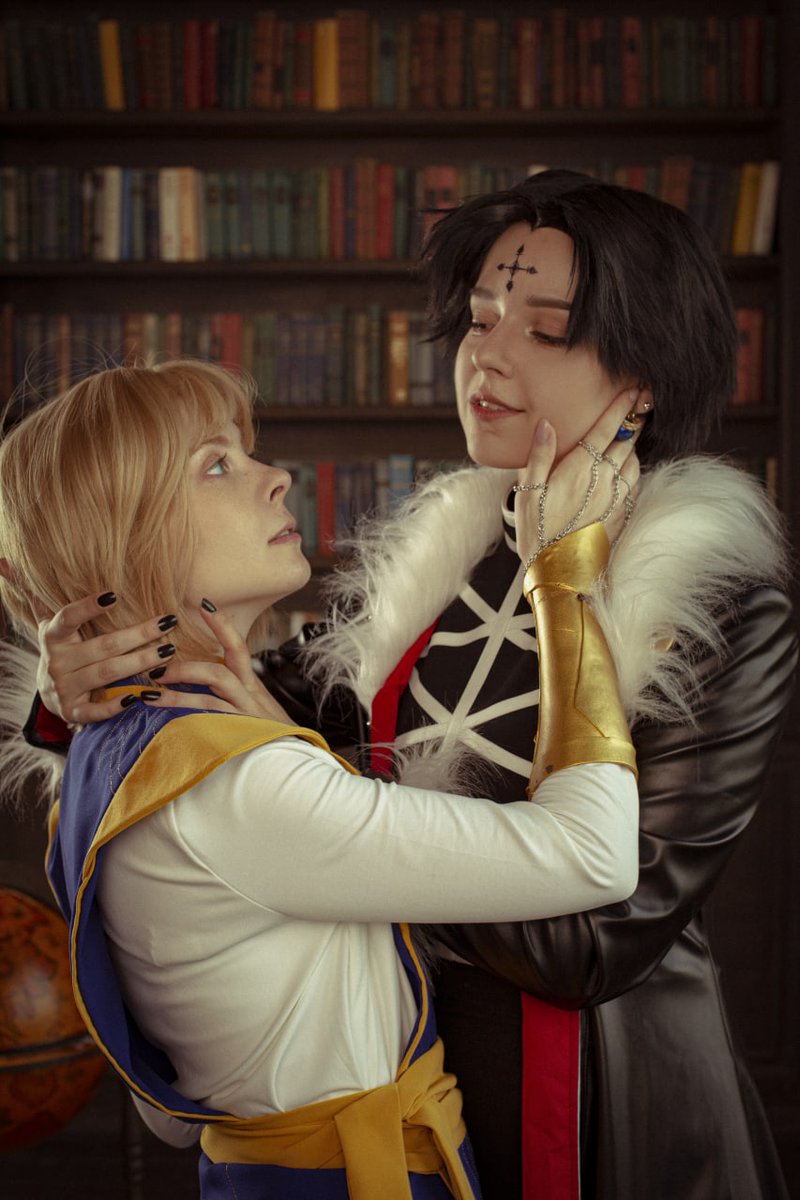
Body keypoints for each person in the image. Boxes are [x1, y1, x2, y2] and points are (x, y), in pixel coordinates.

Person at [14, 170, 797, 1198]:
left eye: (546, 329)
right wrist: (75, 687)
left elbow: (595, 941)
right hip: (397, 1093)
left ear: (641, 378)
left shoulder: (717, 606)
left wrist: (342, 830)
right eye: (479, 317)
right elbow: (208, 723)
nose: (487, 354)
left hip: (604, 1107)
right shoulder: (429, 567)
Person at [0, 357, 643, 1200]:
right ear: (123, 534)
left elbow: (170, 1108)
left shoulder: (101, 756)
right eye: (216, 464)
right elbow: (593, 853)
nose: (277, 477)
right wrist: (563, 575)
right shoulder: (235, 785)